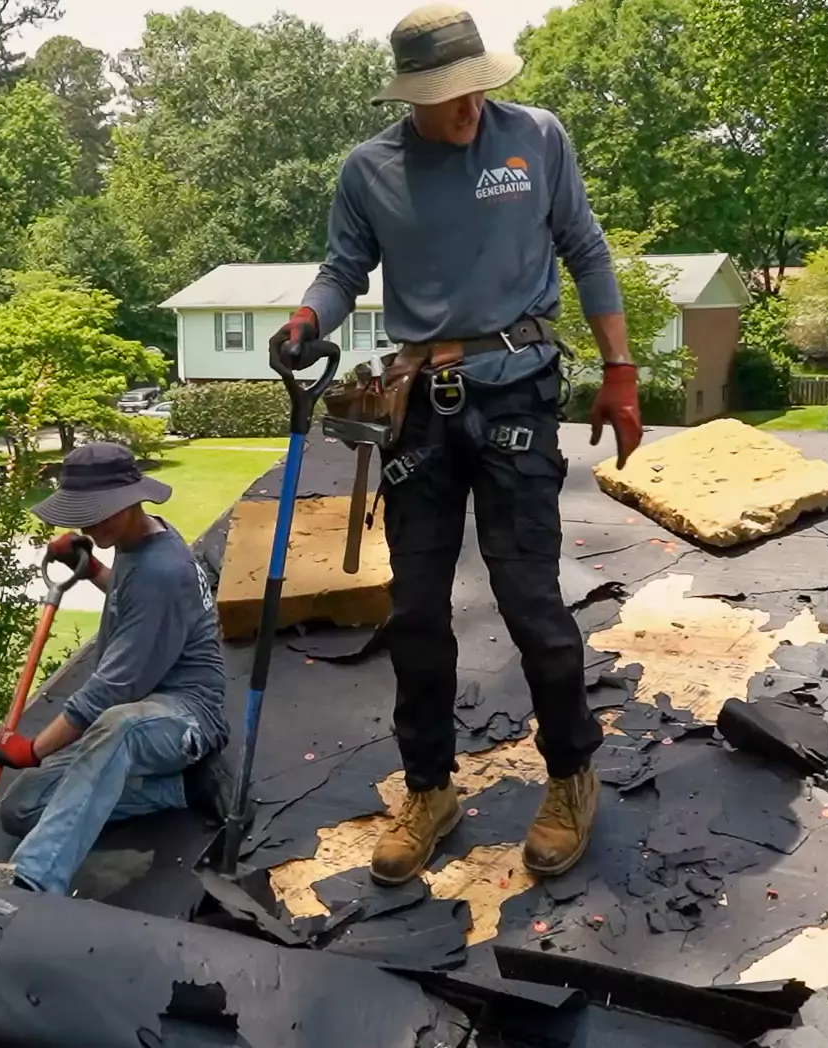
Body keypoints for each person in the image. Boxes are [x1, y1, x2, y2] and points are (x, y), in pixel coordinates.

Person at [272, 3, 641, 887]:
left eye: (476, 88)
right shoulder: (370, 171)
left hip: (518, 385)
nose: (468, 107)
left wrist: (620, 367)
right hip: (421, 406)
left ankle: (570, 775)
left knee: (529, 602)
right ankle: (430, 788)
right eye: (449, 97)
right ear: (411, 96)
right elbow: (342, 268)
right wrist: (305, 317)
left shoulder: (536, 139)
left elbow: (585, 249)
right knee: (417, 616)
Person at [0, 442, 231, 895]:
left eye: (100, 514)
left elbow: (114, 689)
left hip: (187, 717)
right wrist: (92, 566)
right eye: (82, 515)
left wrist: (32, 749)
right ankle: (185, 790)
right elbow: (130, 599)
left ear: (134, 499)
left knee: (117, 725)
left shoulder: (163, 570)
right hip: (143, 710)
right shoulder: (142, 541)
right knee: (20, 809)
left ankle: (30, 885)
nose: (89, 525)